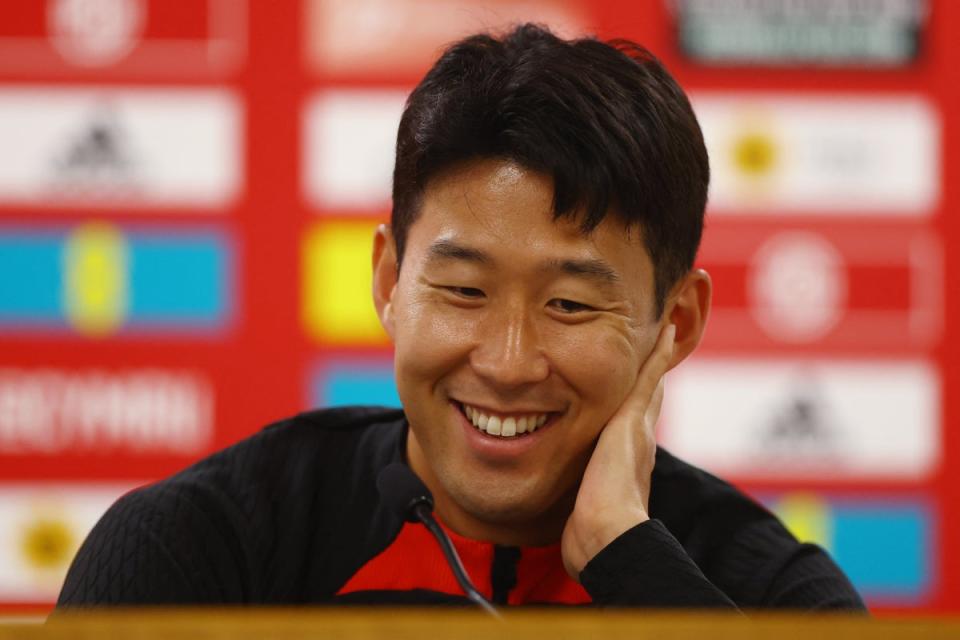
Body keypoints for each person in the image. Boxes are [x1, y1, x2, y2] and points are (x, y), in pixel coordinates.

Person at [57, 24, 865, 610]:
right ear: (388, 280)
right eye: (464, 291)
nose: (508, 362)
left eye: (570, 304)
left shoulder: (770, 596)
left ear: (676, 324)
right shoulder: (198, 550)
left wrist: (629, 559)